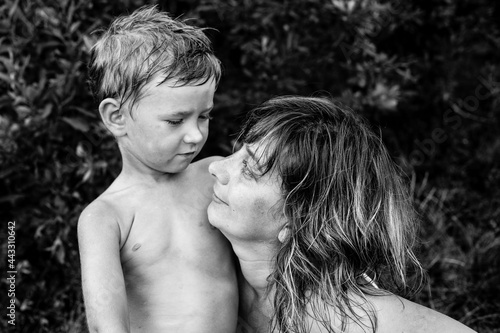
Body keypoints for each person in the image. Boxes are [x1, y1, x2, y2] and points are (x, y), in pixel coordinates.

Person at [207, 96, 477, 333]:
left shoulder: (348, 318)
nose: (217, 167)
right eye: (237, 151)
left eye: (249, 169)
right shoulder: (203, 265)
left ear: (299, 219)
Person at [77, 5, 237, 333]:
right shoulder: (105, 218)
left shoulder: (215, 177)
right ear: (116, 117)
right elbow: (105, 323)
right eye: (176, 120)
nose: (195, 135)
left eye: (204, 116)